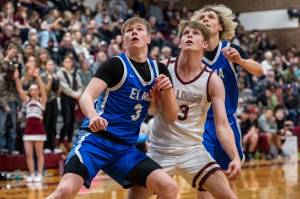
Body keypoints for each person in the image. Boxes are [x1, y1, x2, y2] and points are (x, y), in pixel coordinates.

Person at [46, 17, 178, 199]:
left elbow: (167, 116)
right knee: (64, 191)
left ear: (148, 38)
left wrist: (168, 92)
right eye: (128, 30)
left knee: (169, 187)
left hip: (125, 148)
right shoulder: (115, 65)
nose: (133, 32)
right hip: (96, 140)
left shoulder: (160, 70)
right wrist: (92, 116)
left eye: (139, 29)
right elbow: (86, 96)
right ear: (124, 41)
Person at [129, 20, 241, 199]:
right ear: (179, 42)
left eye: (195, 33)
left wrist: (235, 157)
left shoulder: (212, 80)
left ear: (205, 44)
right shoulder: (161, 68)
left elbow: (222, 125)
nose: (189, 35)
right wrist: (153, 103)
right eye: (186, 33)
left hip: (193, 150)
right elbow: (149, 111)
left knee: (228, 195)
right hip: (159, 149)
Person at [191, 5, 263, 197]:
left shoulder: (231, 50)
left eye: (210, 17)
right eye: (202, 17)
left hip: (227, 121)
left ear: (220, 26)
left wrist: (241, 61)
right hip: (201, 123)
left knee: (229, 175)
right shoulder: (191, 53)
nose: (205, 19)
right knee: (204, 179)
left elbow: (259, 70)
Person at [14, 68, 47, 182]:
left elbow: (43, 89)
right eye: (31, 89)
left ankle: (39, 174)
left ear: (37, 91)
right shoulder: (27, 100)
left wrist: (37, 77)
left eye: (35, 89)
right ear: (29, 91)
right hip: (28, 130)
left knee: (39, 154)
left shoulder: (42, 101)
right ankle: (32, 174)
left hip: (39, 129)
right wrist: (17, 78)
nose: (33, 91)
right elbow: (19, 89)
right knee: (28, 154)